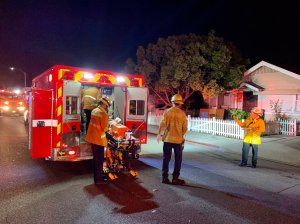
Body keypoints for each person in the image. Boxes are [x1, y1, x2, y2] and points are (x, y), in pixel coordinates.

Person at [157, 94, 187, 185]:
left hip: (167, 139)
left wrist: (159, 133)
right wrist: (181, 135)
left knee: (166, 158)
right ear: (180, 103)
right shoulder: (182, 113)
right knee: (178, 160)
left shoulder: (167, 112)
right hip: (178, 141)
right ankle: (175, 178)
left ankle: (164, 178)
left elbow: (162, 124)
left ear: (172, 102)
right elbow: (185, 128)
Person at [85, 96, 111, 185]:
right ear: (104, 104)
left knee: (96, 159)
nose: (107, 107)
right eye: (107, 106)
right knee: (99, 160)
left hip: (92, 138)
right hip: (99, 140)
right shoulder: (103, 114)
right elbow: (104, 128)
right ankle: (98, 179)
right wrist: (109, 129)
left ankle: (97, 176)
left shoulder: (94, 111)